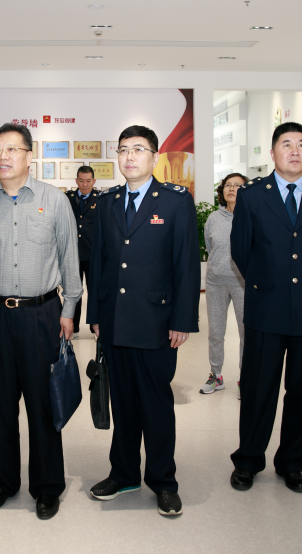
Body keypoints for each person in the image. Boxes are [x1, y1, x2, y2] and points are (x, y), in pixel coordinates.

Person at [0, 123, 80, 520]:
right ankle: (3, 482)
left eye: (12, 149)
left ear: (30, 155)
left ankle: (47, 487)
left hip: (41, 314)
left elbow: (70, 261)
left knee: (43, 405)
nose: (4, 156)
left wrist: (68, 311)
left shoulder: (54, 200)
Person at [229, 122, 302, 494]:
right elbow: (241, 250)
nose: (294, 151)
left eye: (301, 144)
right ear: (272, 153)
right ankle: (248, 460)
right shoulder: (252, 195)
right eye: (286, 144)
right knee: (258, 390)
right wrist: (267, 283)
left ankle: (292, 462)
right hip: (267, 307)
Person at [87, 125, 200, 517]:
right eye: (123, 149)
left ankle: (163, 482)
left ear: (154, 157)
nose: (130, 156)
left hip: (157, 321)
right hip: (115, 321)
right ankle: (123, 474)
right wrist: (96, 315)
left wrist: (182, 320)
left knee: (156, 406)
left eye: (138, 149)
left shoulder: (175, 201)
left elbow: (186, 264)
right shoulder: (107, 202)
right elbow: (99, 263)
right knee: (123, 404)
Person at [201, 173, 247, 395]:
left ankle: (246, 379)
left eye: (237, 185)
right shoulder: (213, 218)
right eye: (228, 185)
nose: (231, 188)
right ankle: (216, 376)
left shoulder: (251, 216)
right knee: (216, 333)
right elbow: (210, 247)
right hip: (216, 283)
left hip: (243, 284)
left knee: (246, 334)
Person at [66, 166, 99, 339]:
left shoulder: (100, 199)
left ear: (94, 181)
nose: (85, 184)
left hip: (93, 254)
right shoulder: (68, 198)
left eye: (88, 181)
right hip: (73, 254)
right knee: (74, 292)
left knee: (95, 292)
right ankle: (74, 328)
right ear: (76, 181)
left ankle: (95, 328)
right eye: (81, 180)